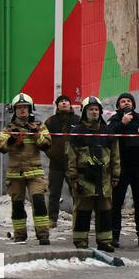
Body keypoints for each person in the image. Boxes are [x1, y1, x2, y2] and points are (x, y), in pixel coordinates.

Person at [0, 93, 52, 244]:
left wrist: (35, 134)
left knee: (39, 201)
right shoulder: (8, 129)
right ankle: (20, 234)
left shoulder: (39, 126)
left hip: (35, 172)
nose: (22, 110)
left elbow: (46, 144)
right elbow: (1, 147)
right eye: (19, 107)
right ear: (14, 110)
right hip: (15, 173)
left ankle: (43, 235)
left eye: (25, 107)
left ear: (30, 108)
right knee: (17, 205)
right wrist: (12, 139)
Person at [67, 96, 120, 251]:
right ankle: (81, 241)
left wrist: (116, 175)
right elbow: (70, 157)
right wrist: (73, 177)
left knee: (104, 211)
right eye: (91, 109)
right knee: (83, 211)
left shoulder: (107, 132)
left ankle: (104, 241)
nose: (94, 112)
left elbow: (116, 156)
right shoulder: (77, 133)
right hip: (84, 180)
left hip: (104, 180)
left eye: (96, 109)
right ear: (84, 112)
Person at [108, 93, 139, 248]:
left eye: (128, 101)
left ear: (133, 104)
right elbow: (109, 136)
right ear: (118, 105)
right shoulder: (115, 119)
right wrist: (122, 122)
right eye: (122, 101)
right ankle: (114, 236)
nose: (126, 103)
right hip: (121, 167)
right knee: (117, 202)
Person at [43, 94, 80, 228]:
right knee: (54, 192)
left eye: (66, 101)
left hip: (73, 164)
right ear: (57, 105)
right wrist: (52, 154)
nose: (64, 103)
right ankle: (52, 219)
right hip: (56, 164)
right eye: (61, 101)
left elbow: (82, 140)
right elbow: (44, 142)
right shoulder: (50, 122)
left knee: (76, 191)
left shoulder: (77, 120)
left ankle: (79, 219)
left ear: (70, 105)